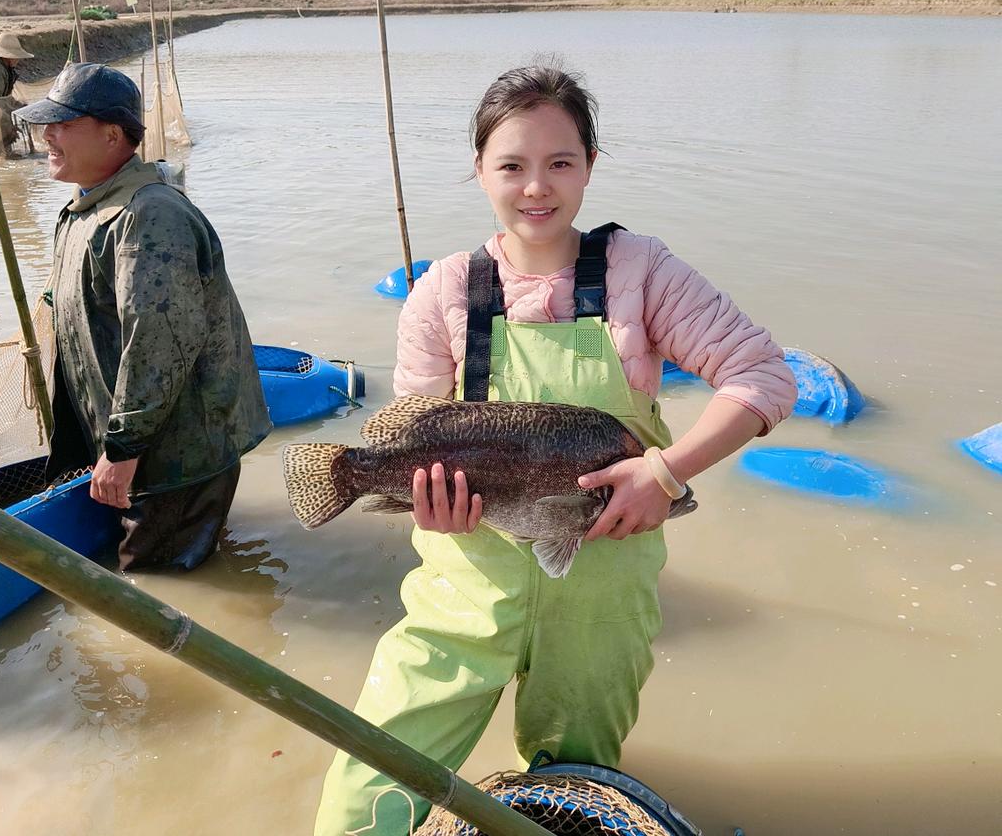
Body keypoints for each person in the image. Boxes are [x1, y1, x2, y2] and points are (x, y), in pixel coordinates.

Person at [314, 64, 798, 835]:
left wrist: (664, 473)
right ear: (479, 172)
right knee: (369, 793)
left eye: (560, 163)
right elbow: (412, 427)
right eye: (511, 165)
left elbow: (764, 377)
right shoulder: (440, 292)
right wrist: (424, 507)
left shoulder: (642, 272)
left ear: (590, 167)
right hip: (466, 579)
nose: (536, 188)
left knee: (570, 792)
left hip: (603, 590)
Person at [18, 62, 271, 571]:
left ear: (113, 135)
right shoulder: (85, 209)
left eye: (62, 124)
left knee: (160, 592)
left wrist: (124, 449)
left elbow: (160, 343)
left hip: (174, 453)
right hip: (142, 446)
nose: (46, 135)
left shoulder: (149, 214)